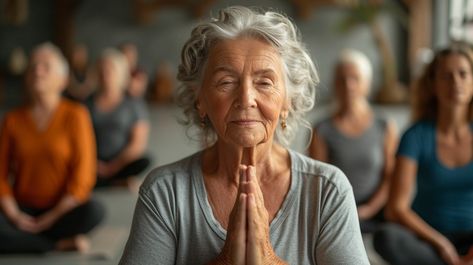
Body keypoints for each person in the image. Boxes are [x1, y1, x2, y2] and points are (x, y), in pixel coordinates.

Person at [119, 6, 369, 265]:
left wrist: (269, 259)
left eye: (265, 82)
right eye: (226, 82)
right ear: (200, 99)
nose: (246, 98)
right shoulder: (165, 191)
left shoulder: (327, 190)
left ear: (287, 102)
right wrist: (225, 260)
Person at [373, 44, 473, 265]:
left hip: (470, 238)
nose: (456, 82)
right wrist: (441, 244)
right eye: (446, 76)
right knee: (386, 237)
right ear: (433, 85)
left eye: (463, 74)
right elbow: (395, 208)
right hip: (428, 241)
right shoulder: (415, 136)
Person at [0, 43, 104, 253]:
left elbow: (83, 178)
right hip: (22, 209)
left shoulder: (76, 115)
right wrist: (15, 215)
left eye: (46, 66)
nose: (38, 71)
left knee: (95, 211)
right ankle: (57, 244)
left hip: (62, 211)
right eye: (33, 67)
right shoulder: (12, 120)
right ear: (27, 78)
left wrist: (51, 217)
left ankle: (26, 241)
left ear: (63, 80)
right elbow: (0, 175)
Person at [309, 49, 398, 233]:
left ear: (367, 84)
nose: (348, 85)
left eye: (355, 79)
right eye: (342, 79)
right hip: (335, 212)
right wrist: (344, 211)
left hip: (375, 213)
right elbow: (317, 181)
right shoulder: (322, 129)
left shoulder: (384, 126)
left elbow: (391, 177)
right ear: (335, 84)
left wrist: (369, 210)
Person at [85, 48, 150, 188]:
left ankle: (105, 181)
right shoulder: (86, 105)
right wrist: (93, 163)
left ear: (121, 73)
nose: (105, 74)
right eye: (101, 70)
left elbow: (138, 144)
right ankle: (114, 182)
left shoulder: (134, 105)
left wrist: (112, 167)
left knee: (145, 160)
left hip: (122, 163)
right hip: (92, 161)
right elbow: (78, 139)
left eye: (110, 70)